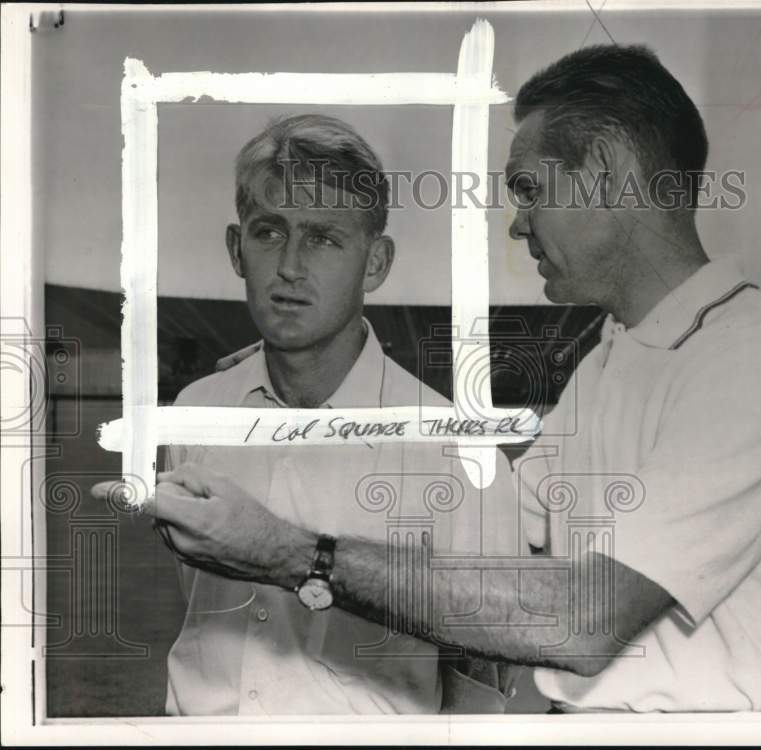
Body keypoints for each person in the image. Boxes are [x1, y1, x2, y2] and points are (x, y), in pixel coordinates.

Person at [145, 46, 761, 712]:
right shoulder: (613, 357)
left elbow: (582, 618)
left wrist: (291, 554)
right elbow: (496, 524)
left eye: (529, 189)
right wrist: (298, 386)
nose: (518, 224)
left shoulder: (759, 354)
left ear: (603, 170)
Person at [143, 114, 517, 715]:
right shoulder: (194, 413)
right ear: (237, 250)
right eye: (270, 232)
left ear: (375, 262)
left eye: (323, 238)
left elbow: (482, 680)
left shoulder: (460, 454)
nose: (290, 265)